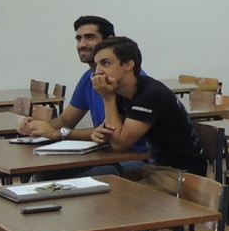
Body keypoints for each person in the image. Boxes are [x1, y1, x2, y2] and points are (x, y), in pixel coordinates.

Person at [17, 15, 141, 154]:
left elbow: (111, 132)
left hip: (132, 156)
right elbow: (66, 120)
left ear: (109, 40)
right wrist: (38, 128)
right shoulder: (88, 78)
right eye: (78, 38)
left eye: (90, 37)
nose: (82, 44)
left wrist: (59, 133)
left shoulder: (128, 81)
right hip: (103, 152)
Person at [89, 36, 206, 175]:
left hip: (181, 172)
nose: (98, 71)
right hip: (155, 165)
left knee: (104, 182)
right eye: (96, 65)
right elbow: (112, 132)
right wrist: (100, 133)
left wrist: (108, 98)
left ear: (128, 64)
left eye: (105, 63)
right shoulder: (122, 92)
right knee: (92, 177)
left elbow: (120, 144)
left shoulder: (150, 94)